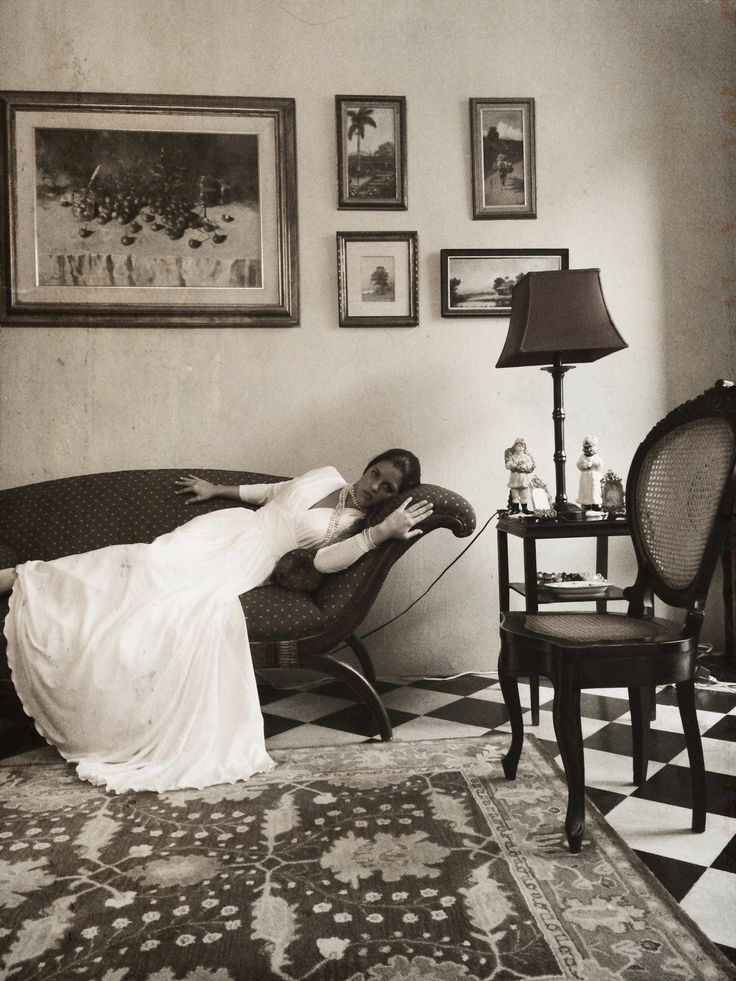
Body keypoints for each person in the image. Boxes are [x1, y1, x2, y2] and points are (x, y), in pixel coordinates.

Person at [1, 449, 431, 794]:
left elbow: (323, 561)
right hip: (223, 529)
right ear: (368, 465)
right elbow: (274, 491)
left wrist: (380, 533)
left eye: (387, 487)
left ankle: (32, 585)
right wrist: (216, 488)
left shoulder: (355, 526)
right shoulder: (327, 476)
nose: (375, 486)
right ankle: (27, 578)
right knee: (141, 561)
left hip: (248, 561)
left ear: (393, 496)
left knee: (165, 608)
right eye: (376, 473)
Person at [504, 438, 535, 514]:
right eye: (519, 446)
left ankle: (525, 509)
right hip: (515, 478)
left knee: (524, 494)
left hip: (523, 478)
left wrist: (524, 466)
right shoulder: (512, 456)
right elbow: (508, 464)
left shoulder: (526, 457)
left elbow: (531, 464)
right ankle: (515, 509)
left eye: (523, 446)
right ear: (515, 446)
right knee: (515, 495)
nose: (521, 448)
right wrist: (515, 466)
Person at [576, 436, 604, 509]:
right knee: (586, 490)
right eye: (586, 447)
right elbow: (578, 465)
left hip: (594, 476)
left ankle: (595, 504)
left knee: (594, 490)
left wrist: (594, 463)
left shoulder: (596, 456)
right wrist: (584, 465)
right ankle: (587, 504)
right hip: (585, 476)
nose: (588, 450)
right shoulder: (582, 456)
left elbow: (600, 465)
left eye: (589, 447)